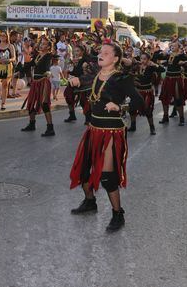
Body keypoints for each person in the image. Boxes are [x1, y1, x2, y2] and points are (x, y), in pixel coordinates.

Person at [67, 42, 144, 232]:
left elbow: (139, 102)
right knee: (84, 171)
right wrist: (75, 82)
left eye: (106, 53)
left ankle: (118, 214)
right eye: (100, 52)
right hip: (93, 129)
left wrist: (120, 107)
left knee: (107, 176)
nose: (101, 55)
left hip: (112, 131)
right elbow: (81, 84)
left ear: (116, 58)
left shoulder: (121, 78)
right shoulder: (94, 75)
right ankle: (90, 201)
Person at [21, 38, 55, 136]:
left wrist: (48, 72)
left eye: (44, 44)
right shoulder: (38, 55)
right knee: (31, 103)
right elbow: (30, 65)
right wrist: (20, 71)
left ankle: (50, 128)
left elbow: (47, 66)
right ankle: (32, 124)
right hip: (35, 82)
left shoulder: (48, 56)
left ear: (48, 47)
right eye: (41, 43)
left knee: (44, 104)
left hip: (43, 82)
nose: (41, 45)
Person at [130, 52, 162, 135]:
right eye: (141, 59)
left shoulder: (151, 67)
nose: (142, 60)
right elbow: (130, 72)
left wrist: (155, 64)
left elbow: (162, 70)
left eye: (144, 59)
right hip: (137, 91)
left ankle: (152, 127)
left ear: (148, 60)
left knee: (148, 110)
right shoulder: (137, 66)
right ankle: (133, 125)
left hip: (147, 92)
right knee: (132, 108)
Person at [0, 31, 15, 110]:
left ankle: (3, 103)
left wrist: (9, 60)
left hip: (7, 67)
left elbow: (14, 57)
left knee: (5, 85)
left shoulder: (11, 46)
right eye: (1, 35)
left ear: (7, 37)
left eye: (4, 36)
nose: (2, 37)